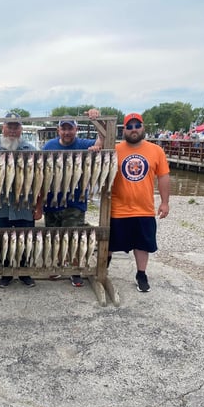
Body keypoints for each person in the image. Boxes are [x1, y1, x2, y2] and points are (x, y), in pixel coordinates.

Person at [107, 112, 170, 292]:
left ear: (143, 127)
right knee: (109, 242)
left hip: (144, 208)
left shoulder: (156, 150)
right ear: (124, 130)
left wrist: (165, 202)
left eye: (137, 126)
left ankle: (141, 274)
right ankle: (102, 271)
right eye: (129, 126)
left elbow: (163, 177)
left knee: (142, 244)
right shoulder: (115, 150)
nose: (133, 130)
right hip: (118, 208)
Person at [42, 110, 104, 287]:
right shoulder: (49, 146)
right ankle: (56, 264)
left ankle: (75, 270)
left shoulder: (83, 144)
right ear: (58, 130)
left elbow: (104, 141)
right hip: (52, 199)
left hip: (75, 201)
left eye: (70, 129)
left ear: (76, 129)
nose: (67, 132)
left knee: (74, 236)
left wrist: (97, 122)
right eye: (64, 129)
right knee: (54, 236)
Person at [0, 112, 41, 288]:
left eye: (16, 126)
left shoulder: (31, 151)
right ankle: (6, 271)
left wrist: (39, 205)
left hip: (25, 206)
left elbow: (40, 182)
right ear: (3, 127)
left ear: (21, 129)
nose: (12, 130)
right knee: (2, 239)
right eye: (9, 126)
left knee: (26, 238)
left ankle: (24, 271)